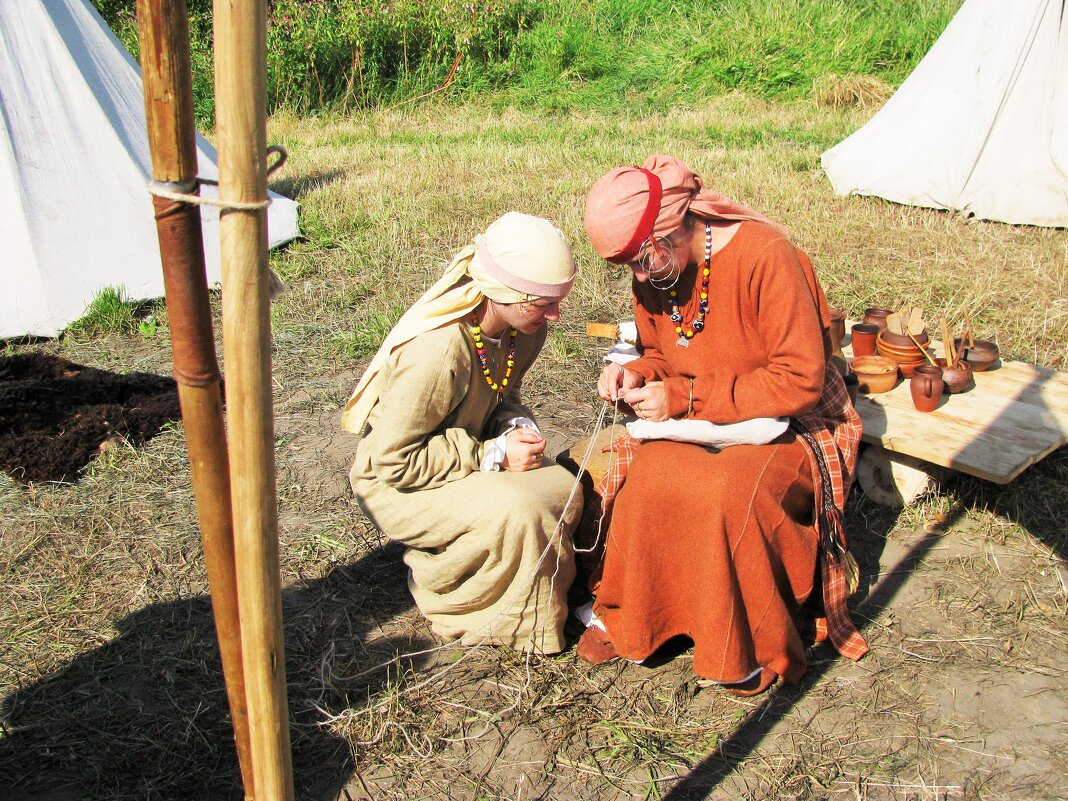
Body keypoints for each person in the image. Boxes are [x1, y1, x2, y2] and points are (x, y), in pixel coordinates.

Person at [579, 155, 868, 694]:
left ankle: (745, 646)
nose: (640, 278)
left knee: (732, 493)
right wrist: (634, 373)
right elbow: (661, 354)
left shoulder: (767, 257)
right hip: (701, 419)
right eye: (630, 268)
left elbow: (800, 380)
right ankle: (639, 619)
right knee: (652, 479)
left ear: (672, 229)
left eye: (643, 261)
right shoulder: (656, 275)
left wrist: (687, 396)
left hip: (794, 424)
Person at [342, 212, 583, 653]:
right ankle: (471, 607)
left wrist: (514, 423)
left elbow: (500, 391)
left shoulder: (523, 330)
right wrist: (491, 455)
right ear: (504, 294)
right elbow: (394, 461)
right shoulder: (438, 350)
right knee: (521, 509)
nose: (555, 315)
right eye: (543, 304)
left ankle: (522, 592)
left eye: (557, 301)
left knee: (561, 487)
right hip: (399, 480)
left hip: (456, 452)